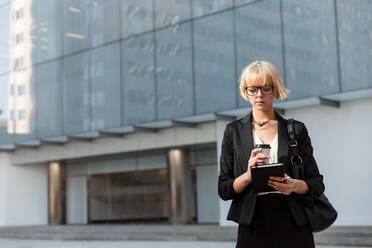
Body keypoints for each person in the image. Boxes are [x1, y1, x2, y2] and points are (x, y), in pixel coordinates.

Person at [218, 61, 324, 248]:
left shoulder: (296, 130)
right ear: (245, 91)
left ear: (275, 90)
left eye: (266, 88)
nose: (259, 95)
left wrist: (293, 185)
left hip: (293, 221)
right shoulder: (233, 132)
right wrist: (248, 175)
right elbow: (224, 189)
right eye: (253, 89)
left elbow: (316, 183)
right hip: (252, 223)